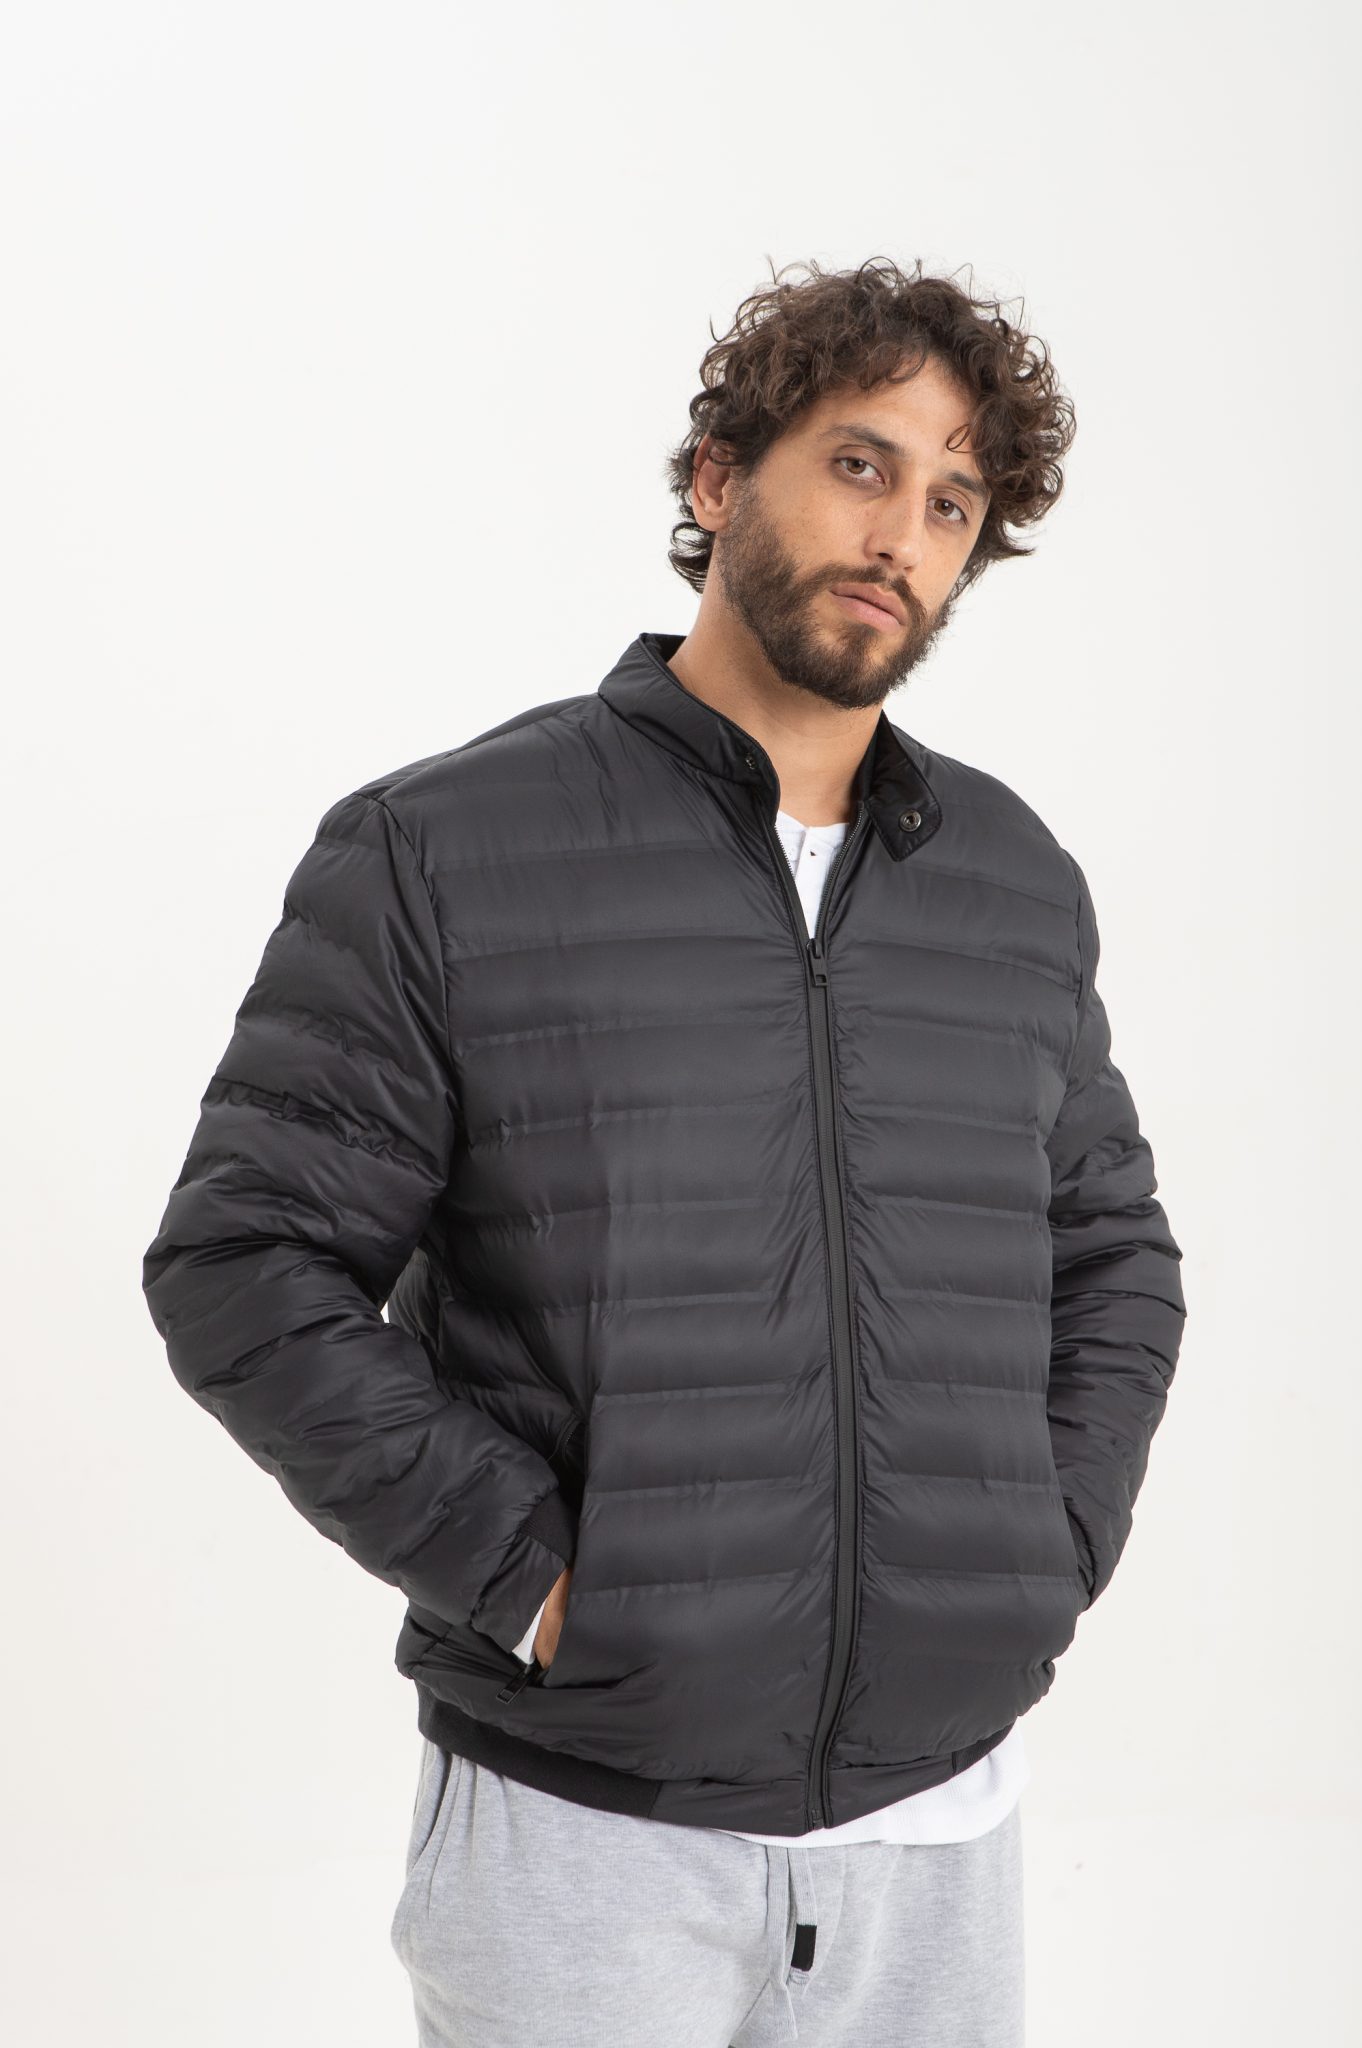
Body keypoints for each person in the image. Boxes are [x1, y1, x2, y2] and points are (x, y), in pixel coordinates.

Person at [142, 254, 1187, 2046]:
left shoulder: (1009, 881)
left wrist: (1042, 1546)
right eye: (857, 465)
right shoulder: (443, 847)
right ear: (717, 478)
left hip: (940, 1825)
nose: (901, 536)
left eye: (951, 503)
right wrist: (544, 1588)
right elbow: (244, 1266)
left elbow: (1110, 1255)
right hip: (584, 1831)